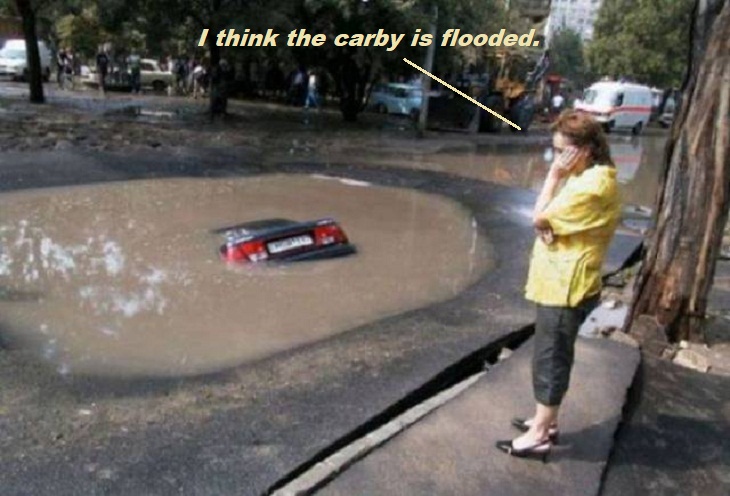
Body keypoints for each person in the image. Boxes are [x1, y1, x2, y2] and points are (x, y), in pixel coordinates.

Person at [496, 110, 621, 461]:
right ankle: (545, 420)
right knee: (551, 352)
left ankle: (539, 435)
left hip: (567, 286)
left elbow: (540, 217)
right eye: (555, 151)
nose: (557, 158)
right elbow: (546, 225)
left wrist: (552, 178)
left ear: (585, 149)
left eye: (562, 151)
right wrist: (547, 225)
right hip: (562, 279)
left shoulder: (592, 186)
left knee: (551, 357)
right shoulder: (587, 176)